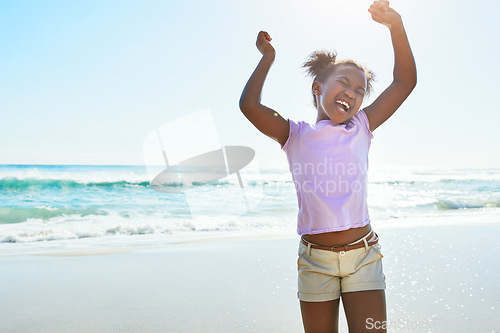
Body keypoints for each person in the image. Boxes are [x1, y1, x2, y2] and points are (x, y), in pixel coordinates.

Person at [239, 1, 416, 332]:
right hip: (314, 261)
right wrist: (267, 59)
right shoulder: (295, 134)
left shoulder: (362, 126)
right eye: (344, 83)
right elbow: (249, 106)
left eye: (360, 91)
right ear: (317, 88)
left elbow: (404, 81)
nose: (352, 93)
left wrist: (397, 26)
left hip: (363, 257)